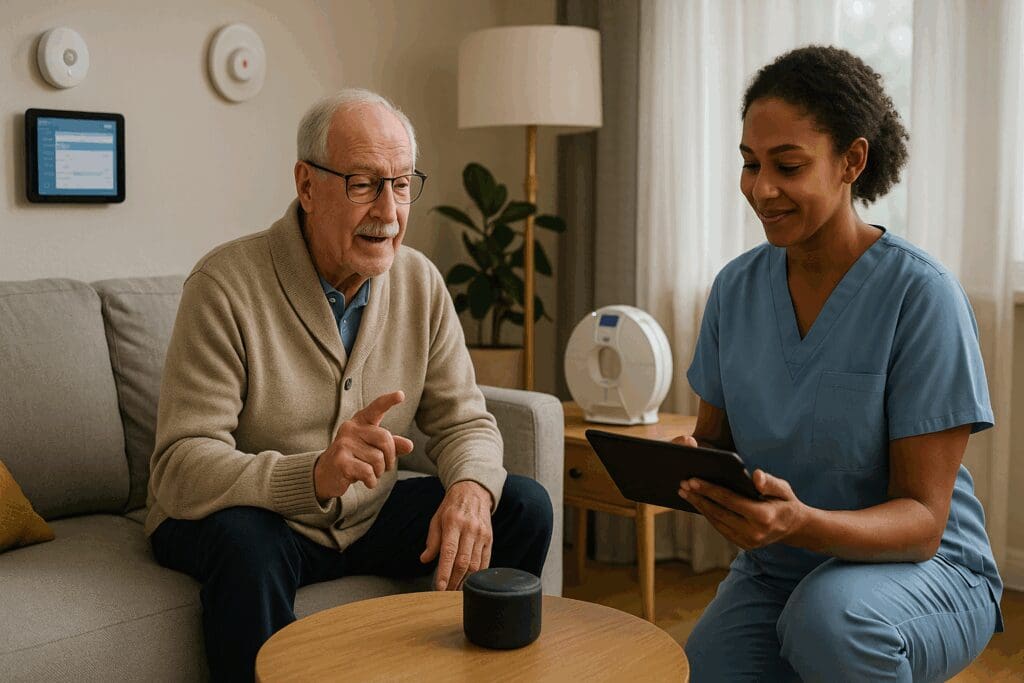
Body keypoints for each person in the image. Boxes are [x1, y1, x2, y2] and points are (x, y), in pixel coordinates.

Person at [145, 89, 553, 682]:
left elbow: (465, 420)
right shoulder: (225, 284)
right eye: (363, 183)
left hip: (365, 516)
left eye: (403, 183)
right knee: (247, 548)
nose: (388, 210)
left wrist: (470, 489)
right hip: (256, 518)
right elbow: (179, 466)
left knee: (521, 505)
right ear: (307, 186)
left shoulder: (420, 282)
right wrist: (309, 475)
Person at [676, 46, 1002, 682]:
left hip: (924, 571)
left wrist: (801, 522)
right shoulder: (734, 290)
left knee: (830, 622)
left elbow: (922, 524)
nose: (760, 188)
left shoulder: (921, 296)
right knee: (701, 668)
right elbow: (715, 446)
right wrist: (693, 473)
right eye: (749, 164)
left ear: (852, 160)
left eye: (787, 166)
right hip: (780, 570)